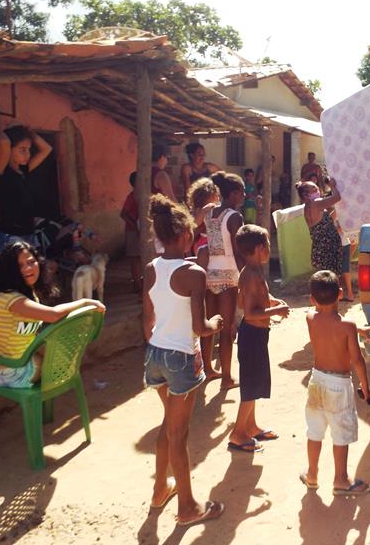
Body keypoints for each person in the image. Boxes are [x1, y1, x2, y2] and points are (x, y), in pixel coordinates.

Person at [142, 194, 225, 525]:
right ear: (186, 235)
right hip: (180, 357)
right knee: (179, 435)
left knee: (168, 425)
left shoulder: (151, 269)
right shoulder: (193, 272)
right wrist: (216, 324)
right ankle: (188, 507)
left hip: (156, 355)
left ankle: (161, 488)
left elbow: (147, 320)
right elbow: (199, 327)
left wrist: (159, 343)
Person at [0, 241, 105, 433]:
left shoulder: (28, 295)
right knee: (58, 366)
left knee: (50, 354)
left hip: (6, 359)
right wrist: (84, 301)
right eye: (20, 266)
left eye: (31, 262)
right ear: (9, 271)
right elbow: (53, 315)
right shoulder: (11, 299)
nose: (28, 268)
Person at [301, 270, 370, 496]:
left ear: (312, 300)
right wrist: (365, 387)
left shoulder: (310, 318)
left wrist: (355, 330)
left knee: (314, 431)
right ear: (341, 293)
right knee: (340, 433)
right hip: (338, 386)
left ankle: (312, 474)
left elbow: (328, 326)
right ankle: (340, 479)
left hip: (316, 381)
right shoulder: (348, 326)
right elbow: (357, 360)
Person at [228, 225, 289, 452]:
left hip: (256, 335)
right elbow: (250, 312)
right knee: (251, 385)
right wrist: (276, 312)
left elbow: (248, 301)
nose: (268, 250)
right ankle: (237, 434)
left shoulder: (252, 271)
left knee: (255, 382)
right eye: (268, 246)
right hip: (252, 334)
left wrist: (271, 302)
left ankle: (250, 426)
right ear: (260, 248)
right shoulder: (251, 275)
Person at [202, 171, 245, 388]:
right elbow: (238, 252)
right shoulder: (234, 217)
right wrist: (246, 277)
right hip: (229, 274)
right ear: (235, 193)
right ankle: (226, 377)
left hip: (210, 274)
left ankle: (208, 370)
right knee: (228, 328)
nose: (244, 196)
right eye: (242, 192)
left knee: (210, 325)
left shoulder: (209, 213)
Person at [0, 124, 53, 251]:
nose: (28, 154)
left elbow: (47, 149)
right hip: (11, 235)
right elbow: (4, 143)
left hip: (28, 232)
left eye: (29, 149)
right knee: (15, 270)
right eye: (22, 149)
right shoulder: (1, 171)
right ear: (9, 150)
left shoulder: (24, 171)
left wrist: (31, 133)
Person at [297, 178, 342, 276]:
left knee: (324, 282)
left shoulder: (308, 207)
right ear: (305, 195)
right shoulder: (316, 203)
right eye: (314, 189)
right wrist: (332, 186)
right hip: (327, 250)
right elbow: (337, 197)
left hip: (320, 250)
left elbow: (327, 220)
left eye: (317, 188)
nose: (318, 191)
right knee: (331, 280)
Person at [186, 177, 220, 256]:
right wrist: (204, 211)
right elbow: (194, 225)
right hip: (200, 246)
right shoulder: (200, 210)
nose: (218, 198)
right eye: (216, 196)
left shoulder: (209, 210)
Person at [120, 172, 142, 292]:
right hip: (132, 231)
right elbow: (123, 214)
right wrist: (135, 227)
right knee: (135, 258)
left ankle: (139, 282)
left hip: (139, 230)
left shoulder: (141, 196)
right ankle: (136, 284)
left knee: (139, 257)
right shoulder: (132, 196)